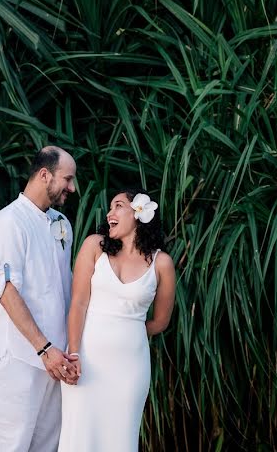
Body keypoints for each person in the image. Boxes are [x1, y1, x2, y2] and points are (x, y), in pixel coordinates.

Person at [59, 187, 176, 451]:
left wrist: (127, 330)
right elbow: (77, 303)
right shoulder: (94, 246)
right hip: (85, 362)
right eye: (110, 207)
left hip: (130, 369)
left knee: (120, 440)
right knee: (79, 438)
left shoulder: (162, 264)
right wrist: (74, 354)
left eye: (118, 206)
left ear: (139, 213)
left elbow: (160, 322)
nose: (110, 213)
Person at [0, 146, 79, 451]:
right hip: (20, 359)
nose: (72, 188)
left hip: (55, 361)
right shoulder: (8, 222)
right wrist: (44, 348)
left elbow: (67, 289)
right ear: (43, 175)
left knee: (48, 448)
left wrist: (65, 351)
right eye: (68, 179)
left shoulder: (63, 223)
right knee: (12, 445)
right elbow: (6, 292)